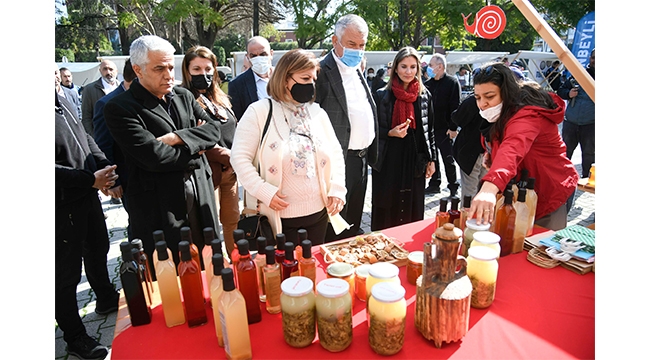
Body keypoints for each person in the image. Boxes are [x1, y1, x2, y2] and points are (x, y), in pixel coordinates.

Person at [104, 35, 221, 274]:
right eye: (159, 69)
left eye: (170, 67)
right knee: (173, 276)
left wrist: (178, 138)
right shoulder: (120, 108)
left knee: (211, 266)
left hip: (202, 197)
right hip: (161, 207)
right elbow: (155, 157)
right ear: (138, 70)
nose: (168, 75)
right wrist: (196, 146)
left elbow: (214, 130)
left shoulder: (184, 96)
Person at [231, 49, 347, 245]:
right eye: (305, 78)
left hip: (318, 215)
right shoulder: (258, 112)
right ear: (286, 79)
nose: (310, 84)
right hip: (278, 220)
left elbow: (336, 153)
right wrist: (263, 190)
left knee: (311, 270)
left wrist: (337, 189)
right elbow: (239, 158)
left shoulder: (316, 112)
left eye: (313, 78)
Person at [468, 62, 579, 231]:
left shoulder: (528, 115)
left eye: (489, 97)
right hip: (521, 191)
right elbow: (500, 141)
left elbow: (512, 148)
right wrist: (490, 152)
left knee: (537, 249)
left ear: (507, 93)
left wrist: (489, 188)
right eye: (477, 97)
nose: (482, 104)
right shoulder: (505, 111)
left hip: (550, 192)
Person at [56, 90, 120, 360]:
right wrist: (88, 179)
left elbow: (85, 137)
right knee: (66, 274)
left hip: (87, 193)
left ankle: (105, 296)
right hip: (60, 203)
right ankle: (74, 336)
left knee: (98, 247)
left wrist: (105, 167)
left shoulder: (60, 99)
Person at [315, 14, 378, 241]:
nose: (357, 50)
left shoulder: (358, 69)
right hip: (337, 163)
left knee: (353, 221)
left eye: (362, 45)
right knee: (335, 225)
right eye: (351, 44)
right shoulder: (320, 73)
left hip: (361, 161)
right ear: (335, 41)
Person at [181, 45, 240, 258]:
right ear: (187, 71)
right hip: (207, 173)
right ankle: (216, 266)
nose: (203, 74)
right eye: (196, 69)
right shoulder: (183, 99)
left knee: (232, 219)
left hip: (231, 172)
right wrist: (230, 156)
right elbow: (197, 138)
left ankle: (236, 260)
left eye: (208, 69)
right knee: (210, 223)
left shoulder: (220, 97)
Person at [371, 47, 436, 231]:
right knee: (387, 206)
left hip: (415, 160)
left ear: (418, 69)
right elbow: (372, 131)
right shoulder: (382, 95)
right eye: (404, 66)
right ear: (395, 69)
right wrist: (390, 132)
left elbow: (430, 130)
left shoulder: (424, 96)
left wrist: (432, 160)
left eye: (413, 67)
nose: (408, 72)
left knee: (412, 205)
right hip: (388, 159)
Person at [92, 59, 137, 229]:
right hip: (127, 178)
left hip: (150, 176)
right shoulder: (107, 104)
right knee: (138, 224)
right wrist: (113, 182)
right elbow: (103, 145)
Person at [424, 53, 461, 196]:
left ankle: (453, 186)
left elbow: (455, 106)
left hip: (445, 129)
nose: (429, 68)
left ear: (440, 66)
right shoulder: (428, 85)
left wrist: (453, 127)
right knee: (433, 159)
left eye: (431, 65)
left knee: (448, 158)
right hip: (431, 128)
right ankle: (434, 184)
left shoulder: (452, 82)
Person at [557, 49, 595, 179]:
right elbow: (560, 91)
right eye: (594, 57)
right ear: (590, 58)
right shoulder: (578, 74)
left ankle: (586, 180)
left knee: (589, 154)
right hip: (571, 123)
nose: (595, 61)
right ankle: (560, 178)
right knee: (564, 153)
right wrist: (568, 94)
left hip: (591, 124)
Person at [228, 36, 274, 120]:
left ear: (271, 54)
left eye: (263, 54)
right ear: (248, 57)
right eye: (253, 56)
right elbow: (238, 118)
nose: (259, 58)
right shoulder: (237, 85)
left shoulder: (285, 78)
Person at [81, 59, 119, 137]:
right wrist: (93, 138)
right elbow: (86, 117)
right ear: (100, 71)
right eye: (105, 69)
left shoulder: (122, 88)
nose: (108, 72)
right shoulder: (89, 89)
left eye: (111, 69)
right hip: (102, 137)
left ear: (116, 71)